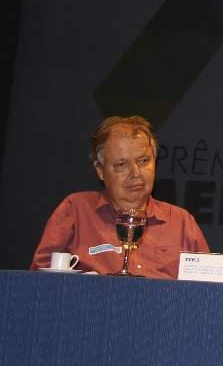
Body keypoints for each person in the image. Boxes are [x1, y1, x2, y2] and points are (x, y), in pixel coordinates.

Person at [30, 115, 210, 277]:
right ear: (100, 170)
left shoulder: (180, 222)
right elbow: (38, 282)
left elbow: (209, 290)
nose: (136, 173)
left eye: (143, 161)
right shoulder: (76, 210)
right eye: (121, 165)